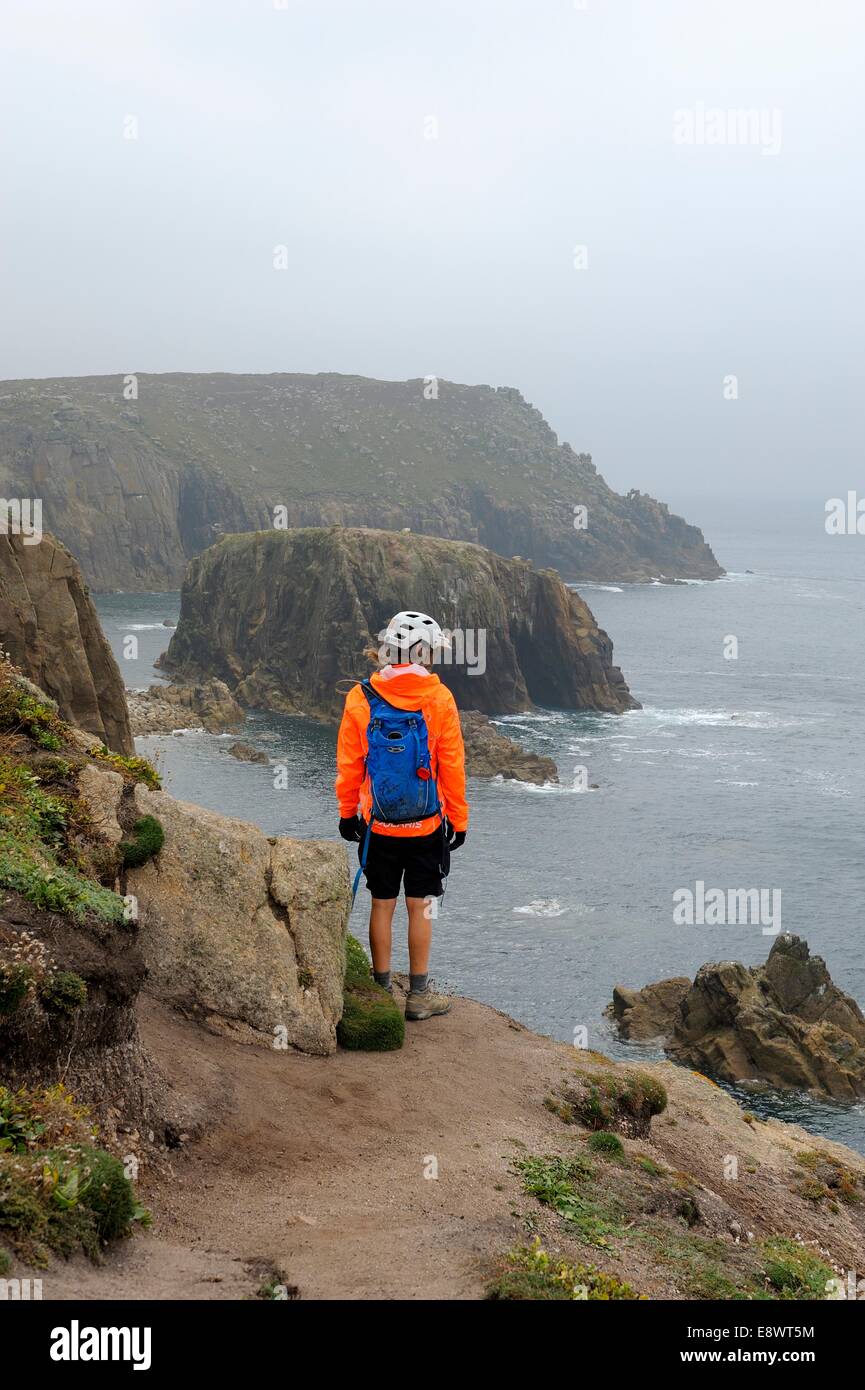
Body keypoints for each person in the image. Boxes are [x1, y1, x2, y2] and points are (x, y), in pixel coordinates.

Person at [335, 610, 469, 1021]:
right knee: (421, 906)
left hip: (379, 824)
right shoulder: (439, 698)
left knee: (381, 903)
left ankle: (379, 993)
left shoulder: (361, 698)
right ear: (424, 653)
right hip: (427, 824)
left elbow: (350, 763)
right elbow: (451, 764)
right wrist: (459, 820)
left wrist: (347, 813)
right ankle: (418, 996)